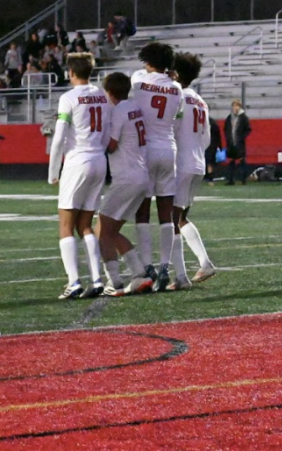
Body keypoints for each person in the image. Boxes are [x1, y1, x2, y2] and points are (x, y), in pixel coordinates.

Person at [49, 52, 111, 299]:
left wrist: (54, 171)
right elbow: (107, 131)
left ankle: (73, 282)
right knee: (85, 225)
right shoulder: (102, 96)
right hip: (99, 160)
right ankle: (96, 279)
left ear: (71, 72)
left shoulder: (68, 98)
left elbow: (59, 137)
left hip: (78, 162)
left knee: (65, 225)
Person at [96, 72, 155, 297]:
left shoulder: (118, 111)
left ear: (109, 92)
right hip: (140, 175)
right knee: (112, 230)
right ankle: (139, 273)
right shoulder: (134, 107)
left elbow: (111, 145)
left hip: (126, 177)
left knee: (102, 230)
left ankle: (114, 282)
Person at [131, 42, 184, 290]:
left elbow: (141, 76)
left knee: (142, 211)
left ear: (148, 61)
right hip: (168, 149)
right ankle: (165, 267)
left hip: (146, 149)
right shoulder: (177, 89)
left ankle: (146, 265)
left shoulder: (139, 81)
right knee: (166, 210)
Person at [168, 52, 216, 290]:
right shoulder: (201, 101)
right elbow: (207, 137)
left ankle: (179, 276)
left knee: (170, 220)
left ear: (176, 73)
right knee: (181, 218)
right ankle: (205, 262)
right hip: (197, 162)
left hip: (182, 163)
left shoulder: (177, 96)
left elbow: (171, 129)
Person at [224, 99, 251, 186]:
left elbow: (248, 129)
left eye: (237, 106)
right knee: (231, 161)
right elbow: (226, 128)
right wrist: (228, 137)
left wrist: (242, 137)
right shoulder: (229, 118)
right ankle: (230, 179)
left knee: (241, 160)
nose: (235, 108)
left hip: (239, 143)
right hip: (231, 143)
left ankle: (243, 179)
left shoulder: (243, 117)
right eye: (234, 106)